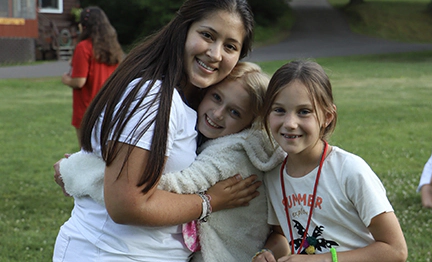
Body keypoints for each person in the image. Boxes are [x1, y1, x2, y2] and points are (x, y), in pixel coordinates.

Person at [52, 0, 260, 261]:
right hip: (108, 253)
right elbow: (127, 204)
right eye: (207, 35)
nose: (215, 53)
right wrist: (211, 201)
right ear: (183, 28)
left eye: (230, 46)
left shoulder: (192, 102)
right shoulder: (152, 96)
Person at [56, 62, 285, 262]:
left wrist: (77, 170)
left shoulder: (231, 153)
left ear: (250, 123)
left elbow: (149, 188)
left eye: (235, 112)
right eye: (216, 97)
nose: (217, 114)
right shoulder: (223, 140)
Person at [253, 60, 408, 261]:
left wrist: (323, 259)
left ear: (327, 116)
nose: (290, 123)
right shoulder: (273, 176)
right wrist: (267, 253)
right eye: (279, 110)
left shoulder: (350, 170)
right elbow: (282, 235)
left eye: (304, 112)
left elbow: (396, 250)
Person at [61, 6, 123, 147]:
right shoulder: (112, 46)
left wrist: (66, 79)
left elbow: (79, 81)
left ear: (83, 26)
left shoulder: (83, 47)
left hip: (87, 110)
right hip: (109, 109)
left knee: (87, 155)